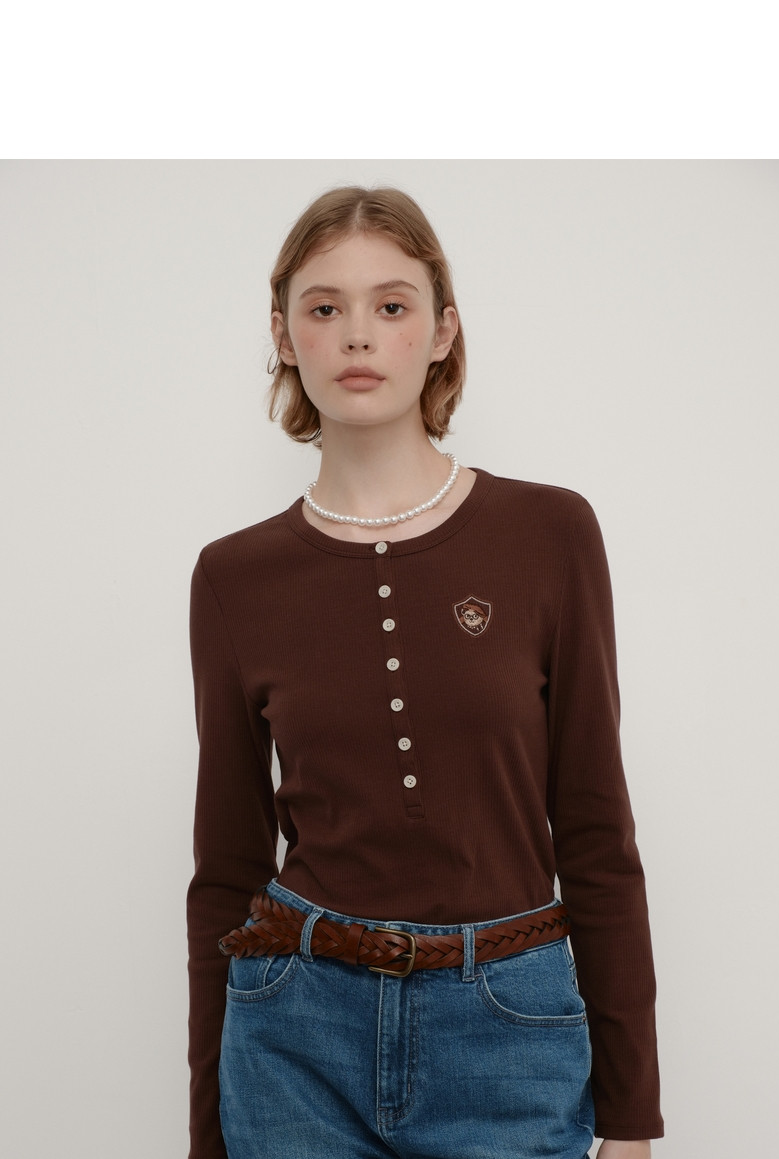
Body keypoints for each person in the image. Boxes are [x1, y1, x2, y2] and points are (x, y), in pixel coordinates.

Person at [187, 186, 663, 1159]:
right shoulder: (234, 577)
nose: (358, 333)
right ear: (283, 335)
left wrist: (630, 1117)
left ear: (443, 331)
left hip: (509, 1029)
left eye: (392, 304)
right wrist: (208, 1133)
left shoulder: (549, 534)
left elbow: (595, 833)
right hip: (294, 1039)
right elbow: (228, 867)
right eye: (325, 307)